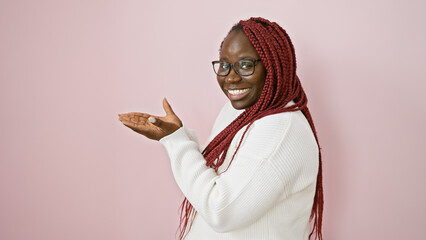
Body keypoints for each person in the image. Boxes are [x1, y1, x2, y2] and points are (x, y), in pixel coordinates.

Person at [118, 17, 323, 240]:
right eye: (224, 65)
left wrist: (176, 142)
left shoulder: (280, 130)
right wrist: (177, 134)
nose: (231, 77)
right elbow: (215, 178)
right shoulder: (237, 111)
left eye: (245, 65)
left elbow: (221, 211)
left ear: (275, 66)